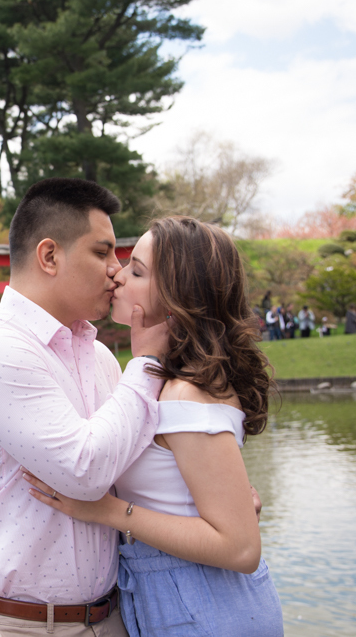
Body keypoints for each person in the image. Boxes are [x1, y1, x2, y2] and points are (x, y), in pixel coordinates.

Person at [24, 216, 283, 636]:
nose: (118, 276)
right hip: (170, 593)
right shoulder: (162, 384)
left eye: (138, 271)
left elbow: (241, 547)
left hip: (203, 602)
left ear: (181, 298)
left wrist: (107, 511)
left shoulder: (185, 395)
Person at [0, 178, 171, 636]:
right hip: (16, 625)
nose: (117, 269)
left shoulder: (100, 357)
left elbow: (130, 465)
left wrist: (212, 499)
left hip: (110, 616)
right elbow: (84, 472)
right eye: (103, 252)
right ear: (49, 256)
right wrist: (147, 362)